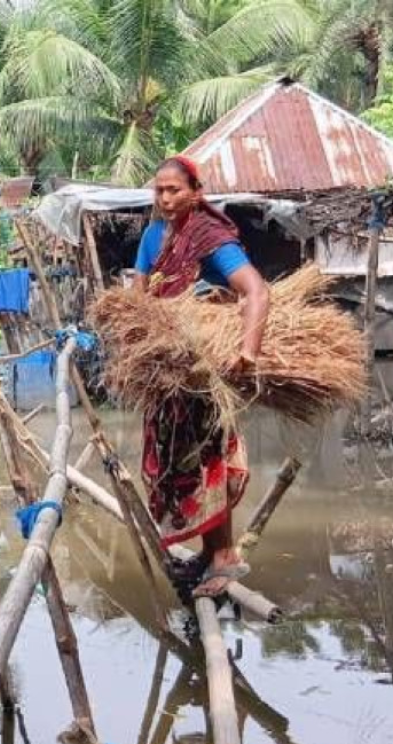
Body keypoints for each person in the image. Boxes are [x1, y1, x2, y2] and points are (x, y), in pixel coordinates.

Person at [133, 156, 270, 597]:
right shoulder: (153, 236)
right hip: (166, 373)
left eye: (175, 190)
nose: (166, 199)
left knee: (207, 460)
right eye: (159, 191)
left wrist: (248, 351)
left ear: (195, 191)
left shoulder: (210, 237)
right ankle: (209, 552)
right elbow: (139, 297)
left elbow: (256, 290)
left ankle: (225, 556)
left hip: (201, 374)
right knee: (176, 464)